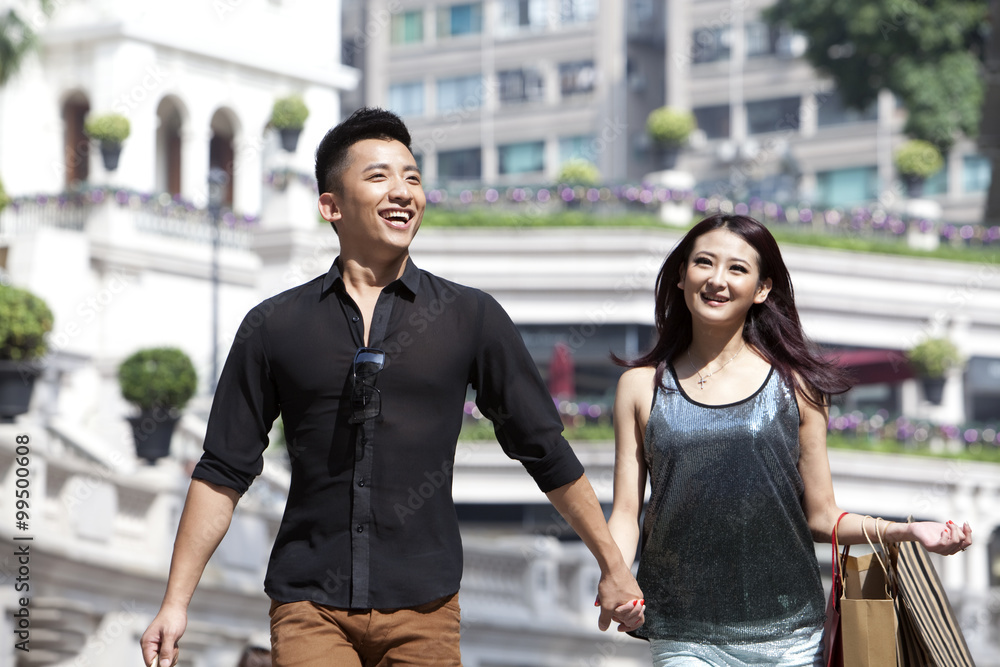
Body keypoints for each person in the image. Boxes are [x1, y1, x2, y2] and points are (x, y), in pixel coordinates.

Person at [140, 107, 644, 667]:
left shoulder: (469, 316)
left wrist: (613, 566)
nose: (403, 191)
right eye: (378, 176)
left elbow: (543, 447)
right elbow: (223, 470)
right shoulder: (273, 325)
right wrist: (174, 603)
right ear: (331, 206)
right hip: (309, 604)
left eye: (412, 177)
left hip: (425, 608)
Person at [606, 213, 973, 666]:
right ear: (681, 275)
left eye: (737, 268)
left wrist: (905, 530)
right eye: (704, 263)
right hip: (683, 636)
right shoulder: (640, 387)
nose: (717, 280)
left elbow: (821, 516)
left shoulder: (797, 386)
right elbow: (627, 511)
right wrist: (615, 574)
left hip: (792, 640)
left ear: (762, 289)